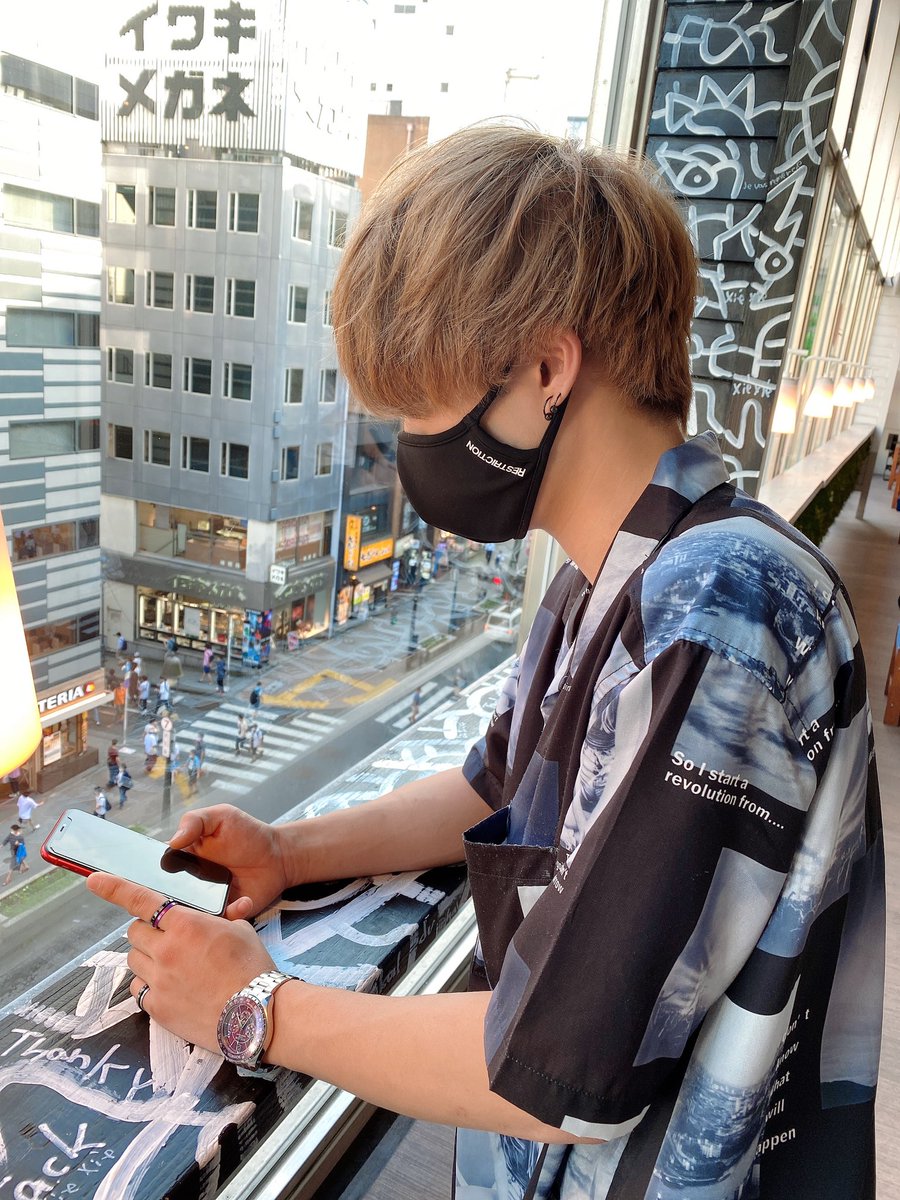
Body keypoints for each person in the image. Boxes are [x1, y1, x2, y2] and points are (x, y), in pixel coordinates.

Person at [86, 126, 885, 1199]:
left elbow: (559, 1070)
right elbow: (496, 787)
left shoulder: (718, 609)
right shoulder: (608, 578)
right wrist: (287, 848)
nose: (411, 446)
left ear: (547, 369)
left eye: (421, 406)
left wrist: (254, 1008)